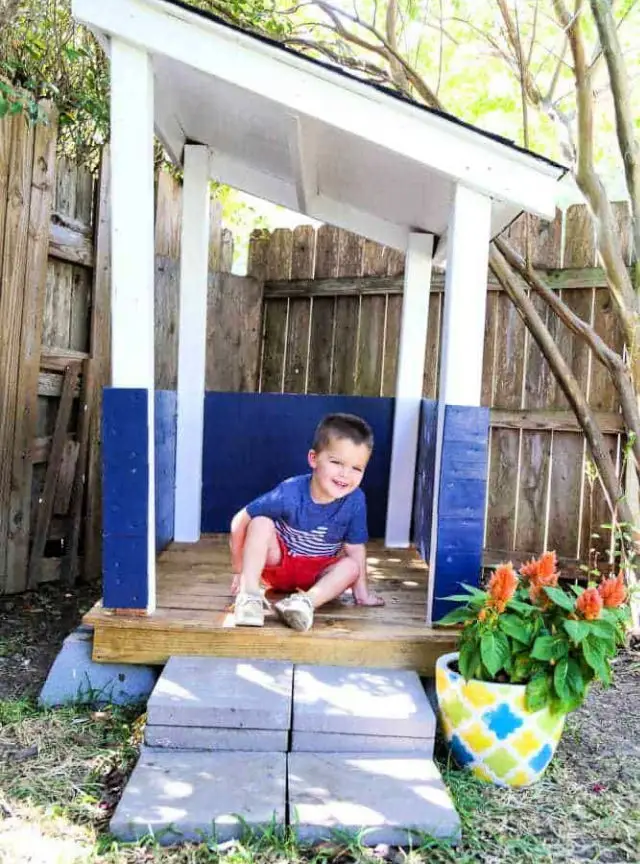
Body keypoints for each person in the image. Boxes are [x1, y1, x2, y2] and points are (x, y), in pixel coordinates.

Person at [229, 413, 384, 631]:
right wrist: (239, 571)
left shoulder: (355, 500)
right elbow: (240, 520)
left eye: (356, 468)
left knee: (351, 566)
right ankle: (249, 596)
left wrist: (362, 594)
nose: (345, 474)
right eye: (336, 462)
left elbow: (355, 549)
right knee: (260, 523)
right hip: (280, 564)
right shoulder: (289, 492)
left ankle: (303, 603)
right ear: (313, 459)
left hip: (318, 574)